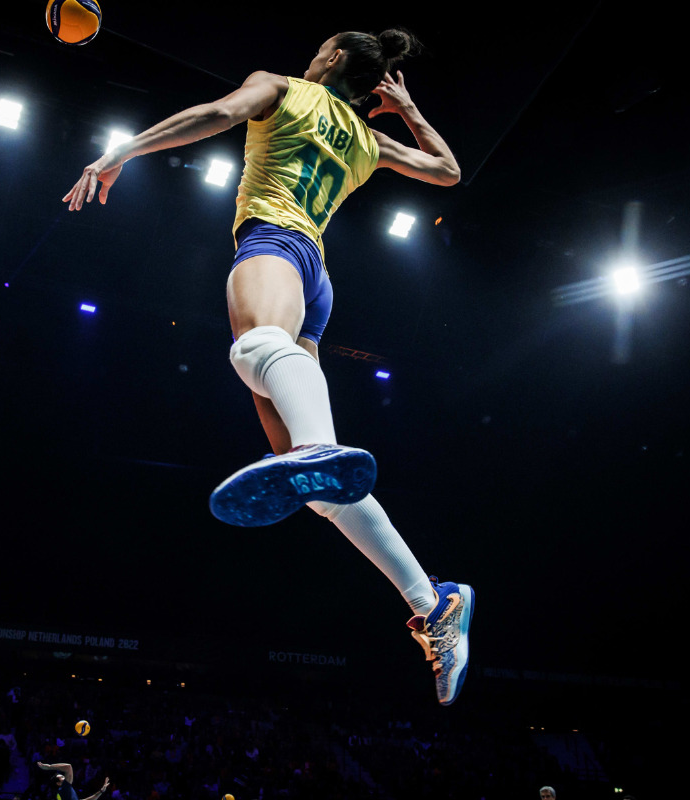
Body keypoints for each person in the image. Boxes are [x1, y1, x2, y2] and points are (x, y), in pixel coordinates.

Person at [64, 29, 474, 705]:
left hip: (273, 244)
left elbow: (219, 114)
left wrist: (125, 149)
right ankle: (434, 604)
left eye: (322, 46)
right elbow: (449, 172)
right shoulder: (370, 139)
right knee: (317, 490)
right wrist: (407, 109)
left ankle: (318, 447)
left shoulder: (283, 87)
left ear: (336, 59)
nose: (312, 50)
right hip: (314, 275)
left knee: (254, 350)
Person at [35, 763, 109, 800]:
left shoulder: (64, 792)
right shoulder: (63, 788)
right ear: (58, 783)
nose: (63, 776)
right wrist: (49, 767)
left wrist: (101, 791)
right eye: (61, 777)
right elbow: (68, 767)